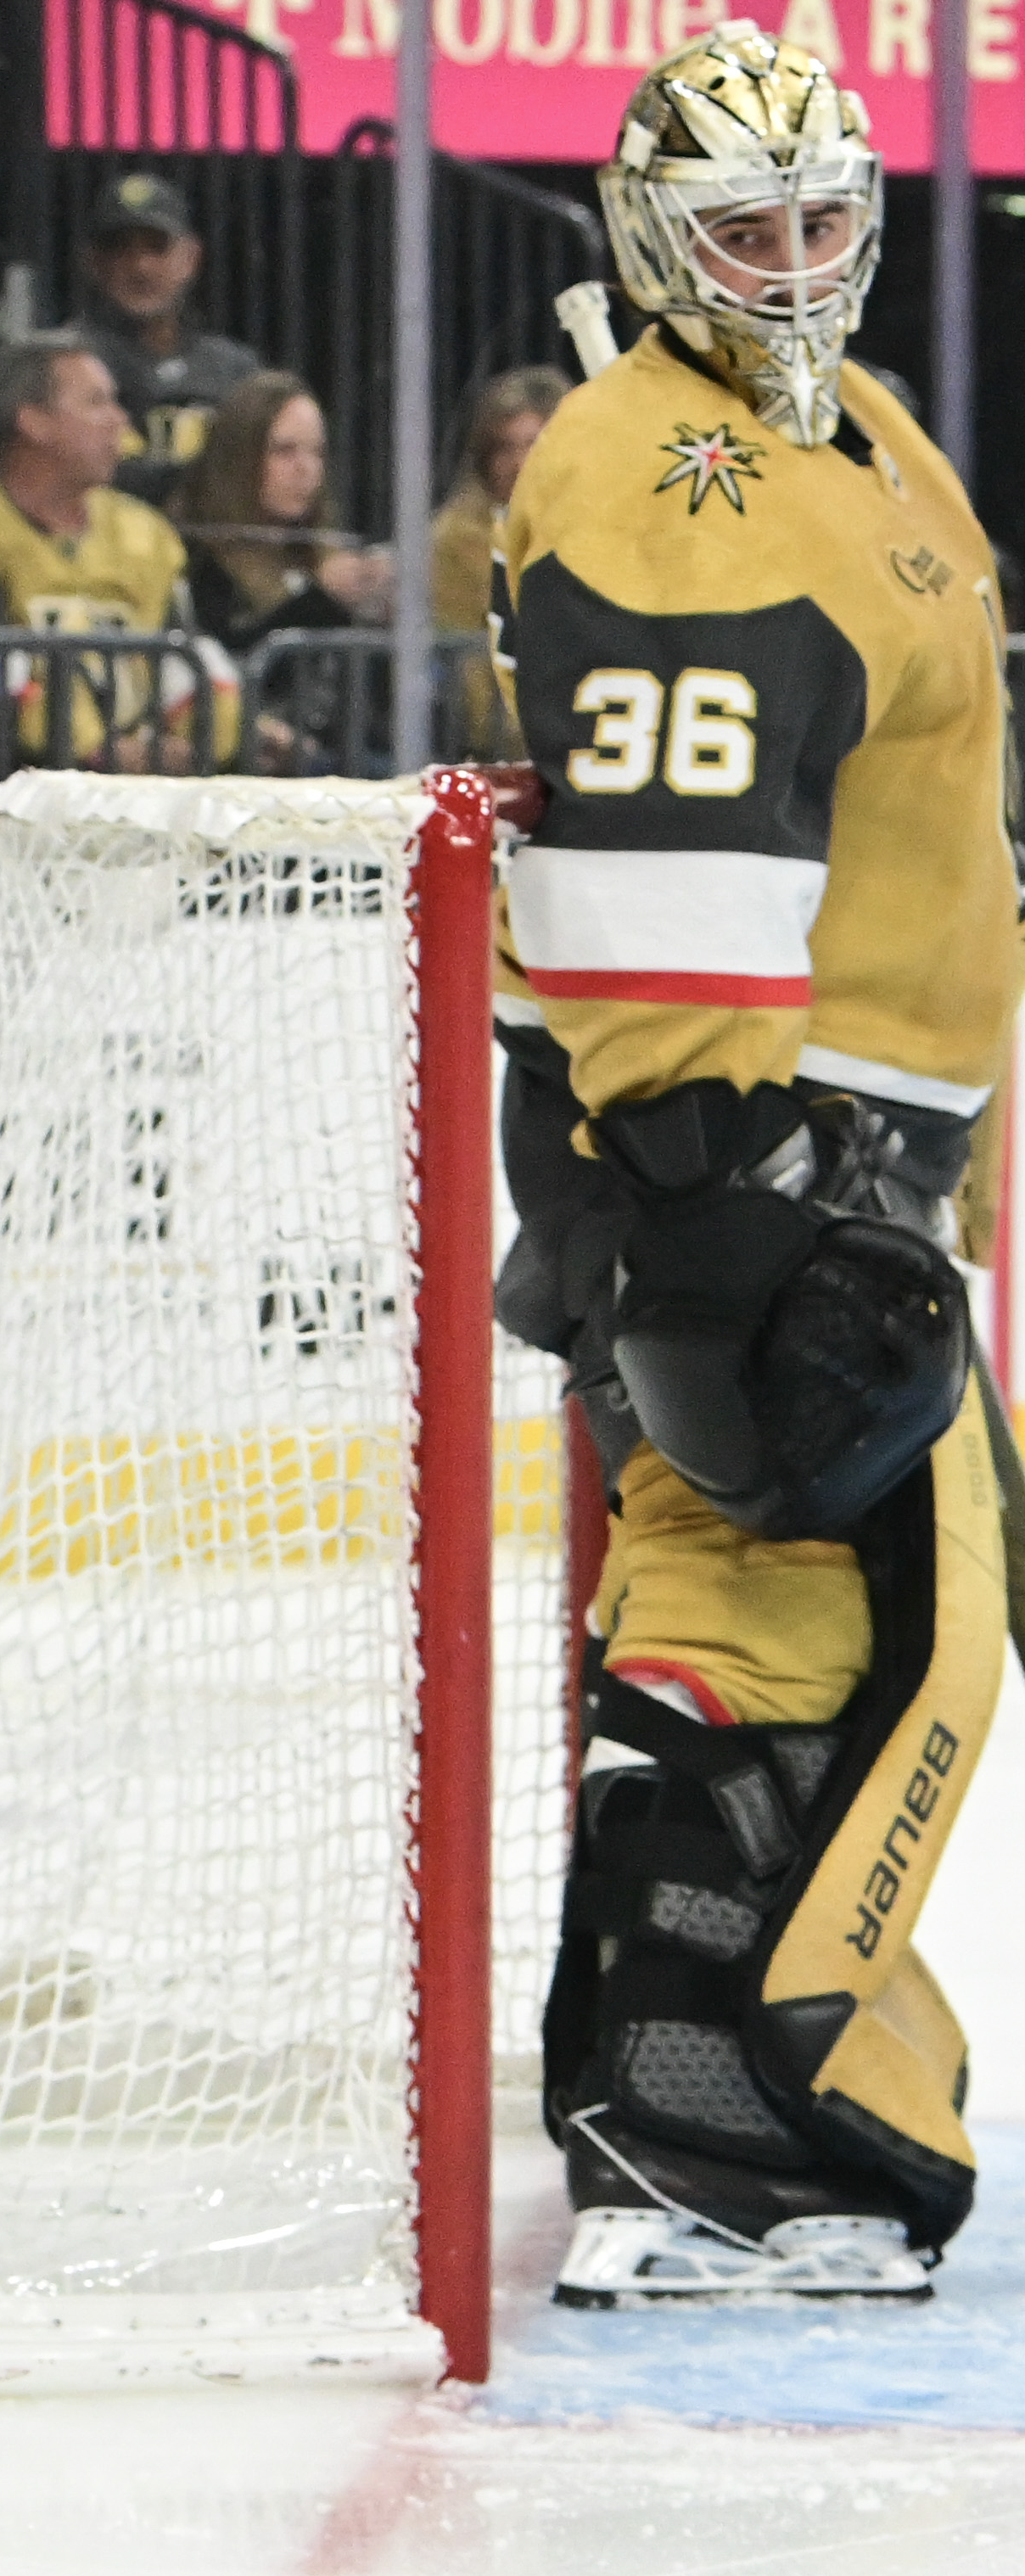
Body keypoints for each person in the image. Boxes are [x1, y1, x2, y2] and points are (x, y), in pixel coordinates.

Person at [475, 31, 1011, 2310]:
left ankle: (664, 2125)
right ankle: (750, 2122)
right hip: (758, 1140)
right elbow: (658, 854)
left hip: (848, 1141)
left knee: (729, 1616)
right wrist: (721, 1192)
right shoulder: (666, 471)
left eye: (819, 224)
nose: (789, 272)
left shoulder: (850, 424)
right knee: (898, 1615)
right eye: (738, 234)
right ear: (642, 236)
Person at [0, 336, 218, 770]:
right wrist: (97, 752)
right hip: (21, 788)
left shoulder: (146, 535)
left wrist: (219, 738)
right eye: (97, 404)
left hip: (148, 789)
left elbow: (184, 662)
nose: (120, 423)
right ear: (34, 422)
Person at [58, 171, 260, 495]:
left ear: (191, 257)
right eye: (121, 249)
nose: (141, 266)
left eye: (157, 247)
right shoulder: (66, 360)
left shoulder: (236, 369)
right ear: (93, 262)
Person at [166, 370, 392, 652]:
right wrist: (321, 600)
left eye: (318, 452)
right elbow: (232, 665)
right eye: (284, 451)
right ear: (240, 457)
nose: (305, 469)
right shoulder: (197, 559)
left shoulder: (321, 551)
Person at [430, 361, 566, 759]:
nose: (520, 463)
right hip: (501, 746)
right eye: (505, 447)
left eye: (534, 444)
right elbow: (470, 669)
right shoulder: (457, 539)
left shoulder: (603, 529)